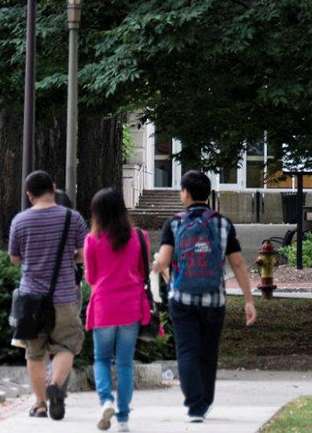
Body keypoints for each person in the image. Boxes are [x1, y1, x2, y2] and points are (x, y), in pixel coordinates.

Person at [152, 171, 257, 423]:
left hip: (182, 298)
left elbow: (164, 260)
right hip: (215, 299)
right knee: (208, 352)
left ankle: (194, 405)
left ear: (186, 193)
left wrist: (158, 264)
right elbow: (239, 263)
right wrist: (248, 300)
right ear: (207, 194)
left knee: (187, 350)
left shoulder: (175, 223)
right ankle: (205, 402)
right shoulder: (222, 223)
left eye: (181, 190)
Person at [9, 171, 89, 420]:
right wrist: (70, 257)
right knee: (66, 345)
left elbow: (14, 259)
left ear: (29, 195)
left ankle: (41, 404)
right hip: (65, 296)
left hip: (31, 298)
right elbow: (84, 253)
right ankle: (55, 384)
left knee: (34, 352)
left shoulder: (20, 221)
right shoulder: (72, 217)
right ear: (53, 188)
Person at [84, 188, 149, 432]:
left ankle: (106, 401)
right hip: (130, 308)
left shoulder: (92, 240)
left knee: (101, 359)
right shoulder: (138, 237)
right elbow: (142, 271)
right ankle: (123, 418)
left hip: (103, 308)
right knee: (124, 364)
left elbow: (90, 277)